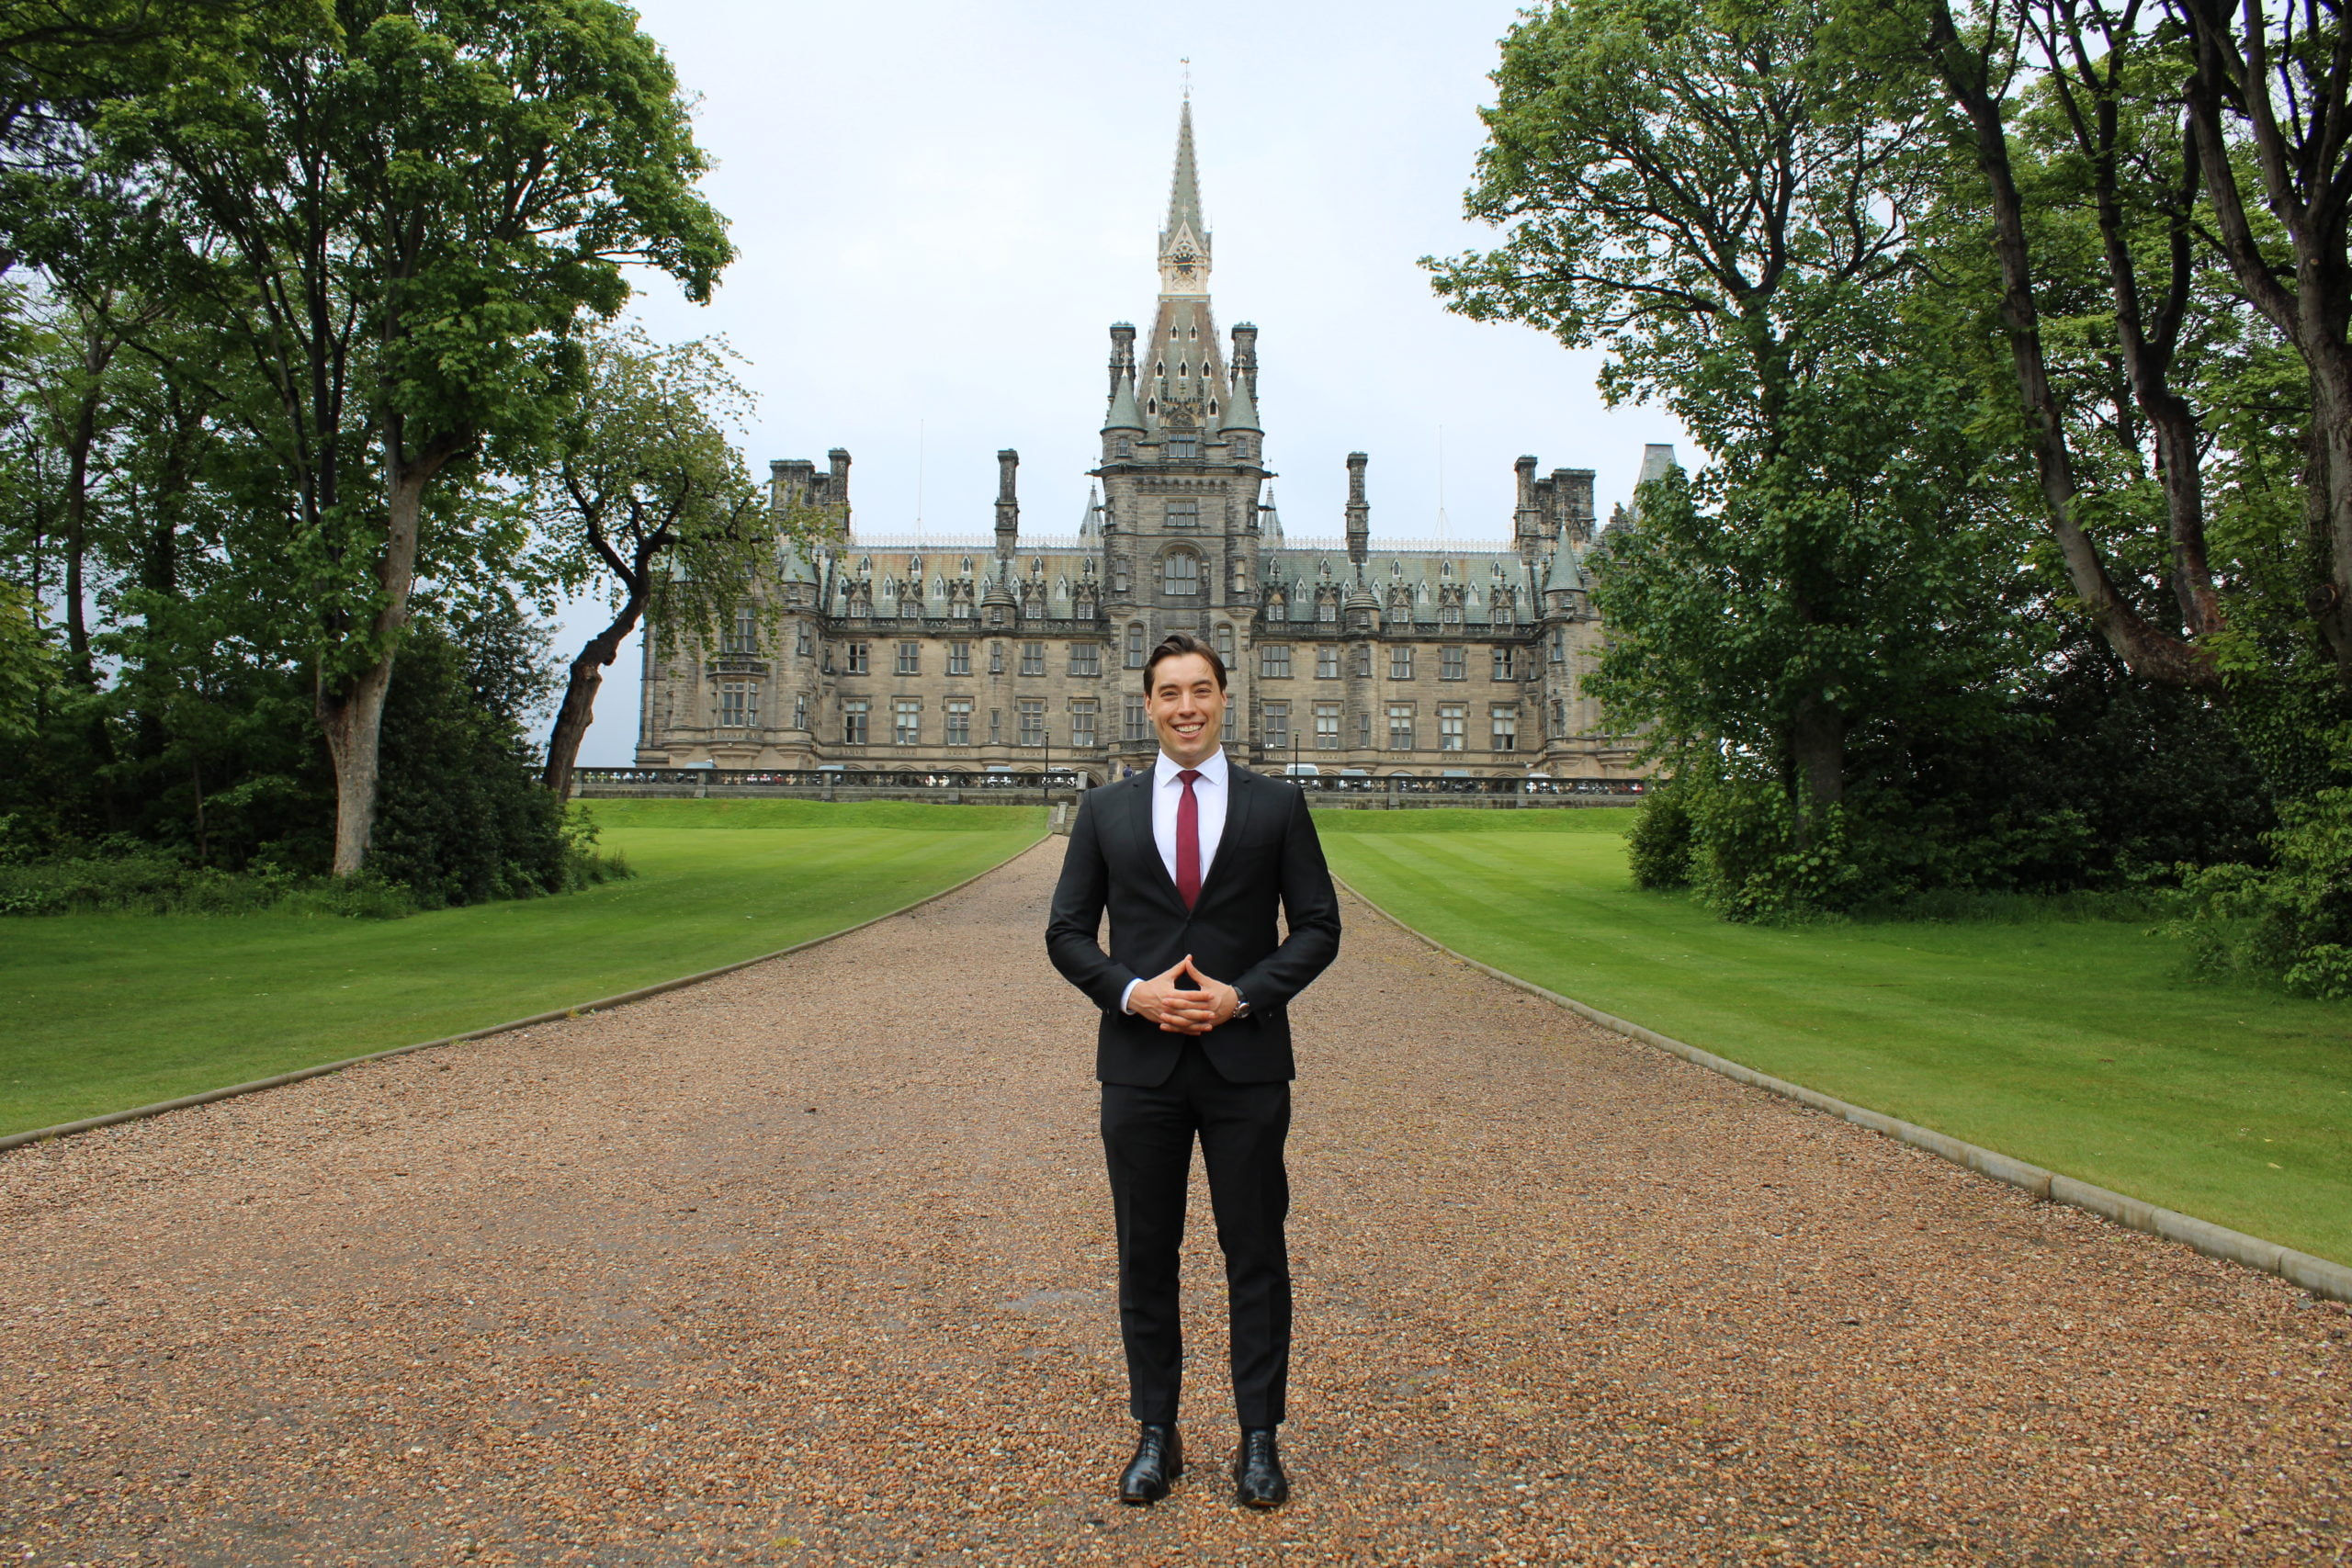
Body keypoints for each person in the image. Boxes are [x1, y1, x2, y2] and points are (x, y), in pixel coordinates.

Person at [1045, 631, 1342, 1509]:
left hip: (1245, 1063)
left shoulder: (1276, 804)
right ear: (1148, 704)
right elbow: (1066, 932)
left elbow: (1319, 926)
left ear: (1224, 697)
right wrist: (1133, 993)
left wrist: (1241, 995)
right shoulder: (1106, 810)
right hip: (1139, 1067)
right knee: (1147, 1253)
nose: (1186, 706)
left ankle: (1259, 1438)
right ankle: (1156, 1432)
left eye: (1201, 690)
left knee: (1254, 1249)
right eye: (1170, 692)